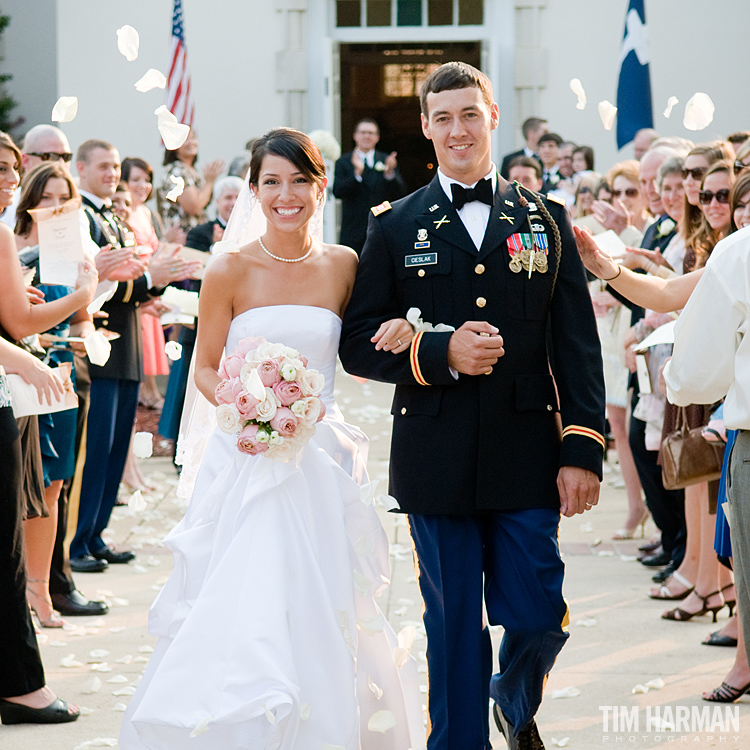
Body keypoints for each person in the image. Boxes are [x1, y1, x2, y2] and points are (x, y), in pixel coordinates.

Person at [120, 127, 424, 750]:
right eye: (271, 183)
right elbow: (204, 367)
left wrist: (403, 329)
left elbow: (365, 340)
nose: (285, 196)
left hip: (322, 460)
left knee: (323, 601)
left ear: (319, 186)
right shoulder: (229, 268)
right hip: (249, 463)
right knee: (249, 602)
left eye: (298, 182)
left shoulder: (344, 266)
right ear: (255, 191)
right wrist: (246, 407)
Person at [340, 61, 605, 750]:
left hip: (527, 452)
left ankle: (511, 702)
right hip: (436, 456)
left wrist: (582, 448)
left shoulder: (546, 221)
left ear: (491, 116)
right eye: (443, 117)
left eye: (469, 113)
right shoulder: (394, 225)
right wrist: (437, 354)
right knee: (453, 623)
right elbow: (357, 344)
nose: (457, 129)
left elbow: (575, 346)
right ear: (426, 129)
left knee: (541, 608)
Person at [70, 139, 199, 572]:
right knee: (97, 449)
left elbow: (132, 283)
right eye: (103, 167)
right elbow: (95, 285)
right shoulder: (82, 218)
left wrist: (156, 284)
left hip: (126, 344)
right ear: (81, 168)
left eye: (114, 168)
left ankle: (96, 534)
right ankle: (79, 541)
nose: (111, 175)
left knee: (115, 446)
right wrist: (148, 282)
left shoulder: (111, 216)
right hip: (101, 347)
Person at [14, 162, 97, 629]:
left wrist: (84, 335)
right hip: (20, 368)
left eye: (64, 198)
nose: (56, 206)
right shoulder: (13, 243)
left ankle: (40, 588)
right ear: (30, 199)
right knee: (23, 484)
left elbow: (82, 314)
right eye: (47, 196)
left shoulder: (72, 250)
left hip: (61, 371)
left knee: (53, 484)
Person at [332, 118, 408, 254]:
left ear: (377, 137)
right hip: (353, 230)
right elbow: (337, 191)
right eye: (363, 132)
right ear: (355, 136)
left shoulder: (386, 160)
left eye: (371, 133)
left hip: (382, 228)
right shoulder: (343, 161)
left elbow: (401, 192)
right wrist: (357, 174)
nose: (366, 136)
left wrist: (390, 173)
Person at [157, 128, 225, 234]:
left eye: (193, 138)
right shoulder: (176, 170)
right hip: (184, 237)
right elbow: (194, 207)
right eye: (184, 139)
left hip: (197, 234)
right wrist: (209, 182)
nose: (191, 142)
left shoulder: (192, 170)